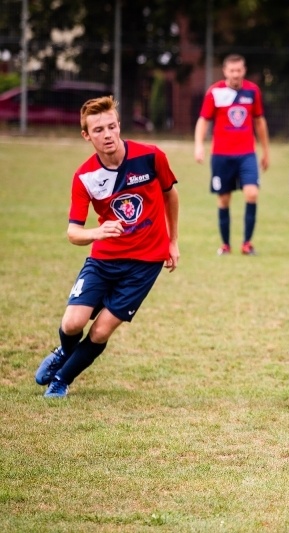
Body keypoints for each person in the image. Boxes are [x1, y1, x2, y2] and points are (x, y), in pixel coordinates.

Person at [35, 95, 180, 398]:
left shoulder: (151, 157)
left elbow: (170, 194)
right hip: (103, 260)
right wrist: (98, 231)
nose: (108, 134)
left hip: (145, 262)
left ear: (119, 126)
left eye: (112, 126)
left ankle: (61, 380)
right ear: (86, 135)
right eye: (98, 130)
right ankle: (64, 351)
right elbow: (73, 233)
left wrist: (173, 240)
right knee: (73, 322)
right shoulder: (85, 176)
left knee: (101, 330)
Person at [194, 53, 269, 255]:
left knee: (252, 193)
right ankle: (226, 245)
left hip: (247, 153)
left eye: (239, 70)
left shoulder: (253, 91)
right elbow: (203, 120)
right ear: (226, 71)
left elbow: (259, 121)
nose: (235, 74)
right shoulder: (214, 92)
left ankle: (247, 244)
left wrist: (265, 151)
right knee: (223, 200)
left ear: (243, 71)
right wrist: (199, 145)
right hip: (221, 155)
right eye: (231, 70)